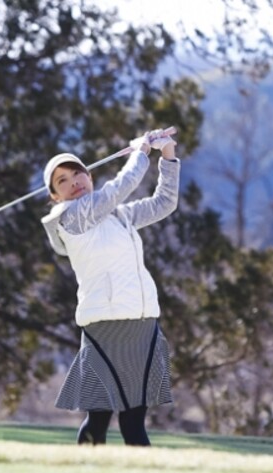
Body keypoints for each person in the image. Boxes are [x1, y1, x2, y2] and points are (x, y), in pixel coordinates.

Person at [40, 129, 180, 446]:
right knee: (109, 418)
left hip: (141, 321)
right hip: (106, 324)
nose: (74, 182)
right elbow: (119, 188)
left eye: (78, 174)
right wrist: (140, 152)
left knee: (124, 419)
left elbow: (164, 203)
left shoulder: (120, 216)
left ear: (88, 176)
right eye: (62, 181)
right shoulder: (70, 217)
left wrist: (167, 155)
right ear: (55, 196)